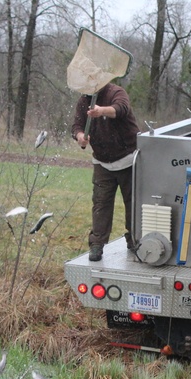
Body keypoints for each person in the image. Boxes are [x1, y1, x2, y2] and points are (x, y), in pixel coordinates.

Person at [71, 82, 140, 262]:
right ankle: (97, 245)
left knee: (133, 202)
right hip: (102, 161)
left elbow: (121, 109)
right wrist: (80, 136)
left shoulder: (116, 92)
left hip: (128, 159)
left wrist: (101, 111)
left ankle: (134, 240)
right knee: (101, 204)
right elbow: (77, 125)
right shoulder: (83, 101)